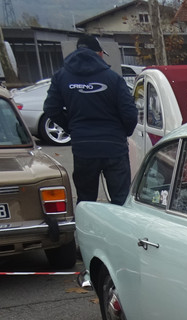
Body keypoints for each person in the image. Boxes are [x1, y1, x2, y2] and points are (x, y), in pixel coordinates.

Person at [43, 34, 137, 205]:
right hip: (114, 147)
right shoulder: (113, 78)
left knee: (86, 201)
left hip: (83, 147)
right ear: (99, 53)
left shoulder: (61, 77)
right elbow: (130, 113)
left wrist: (72, 128)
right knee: (121, 200)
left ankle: (86, 230)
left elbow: (51, 109)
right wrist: (122, 133)